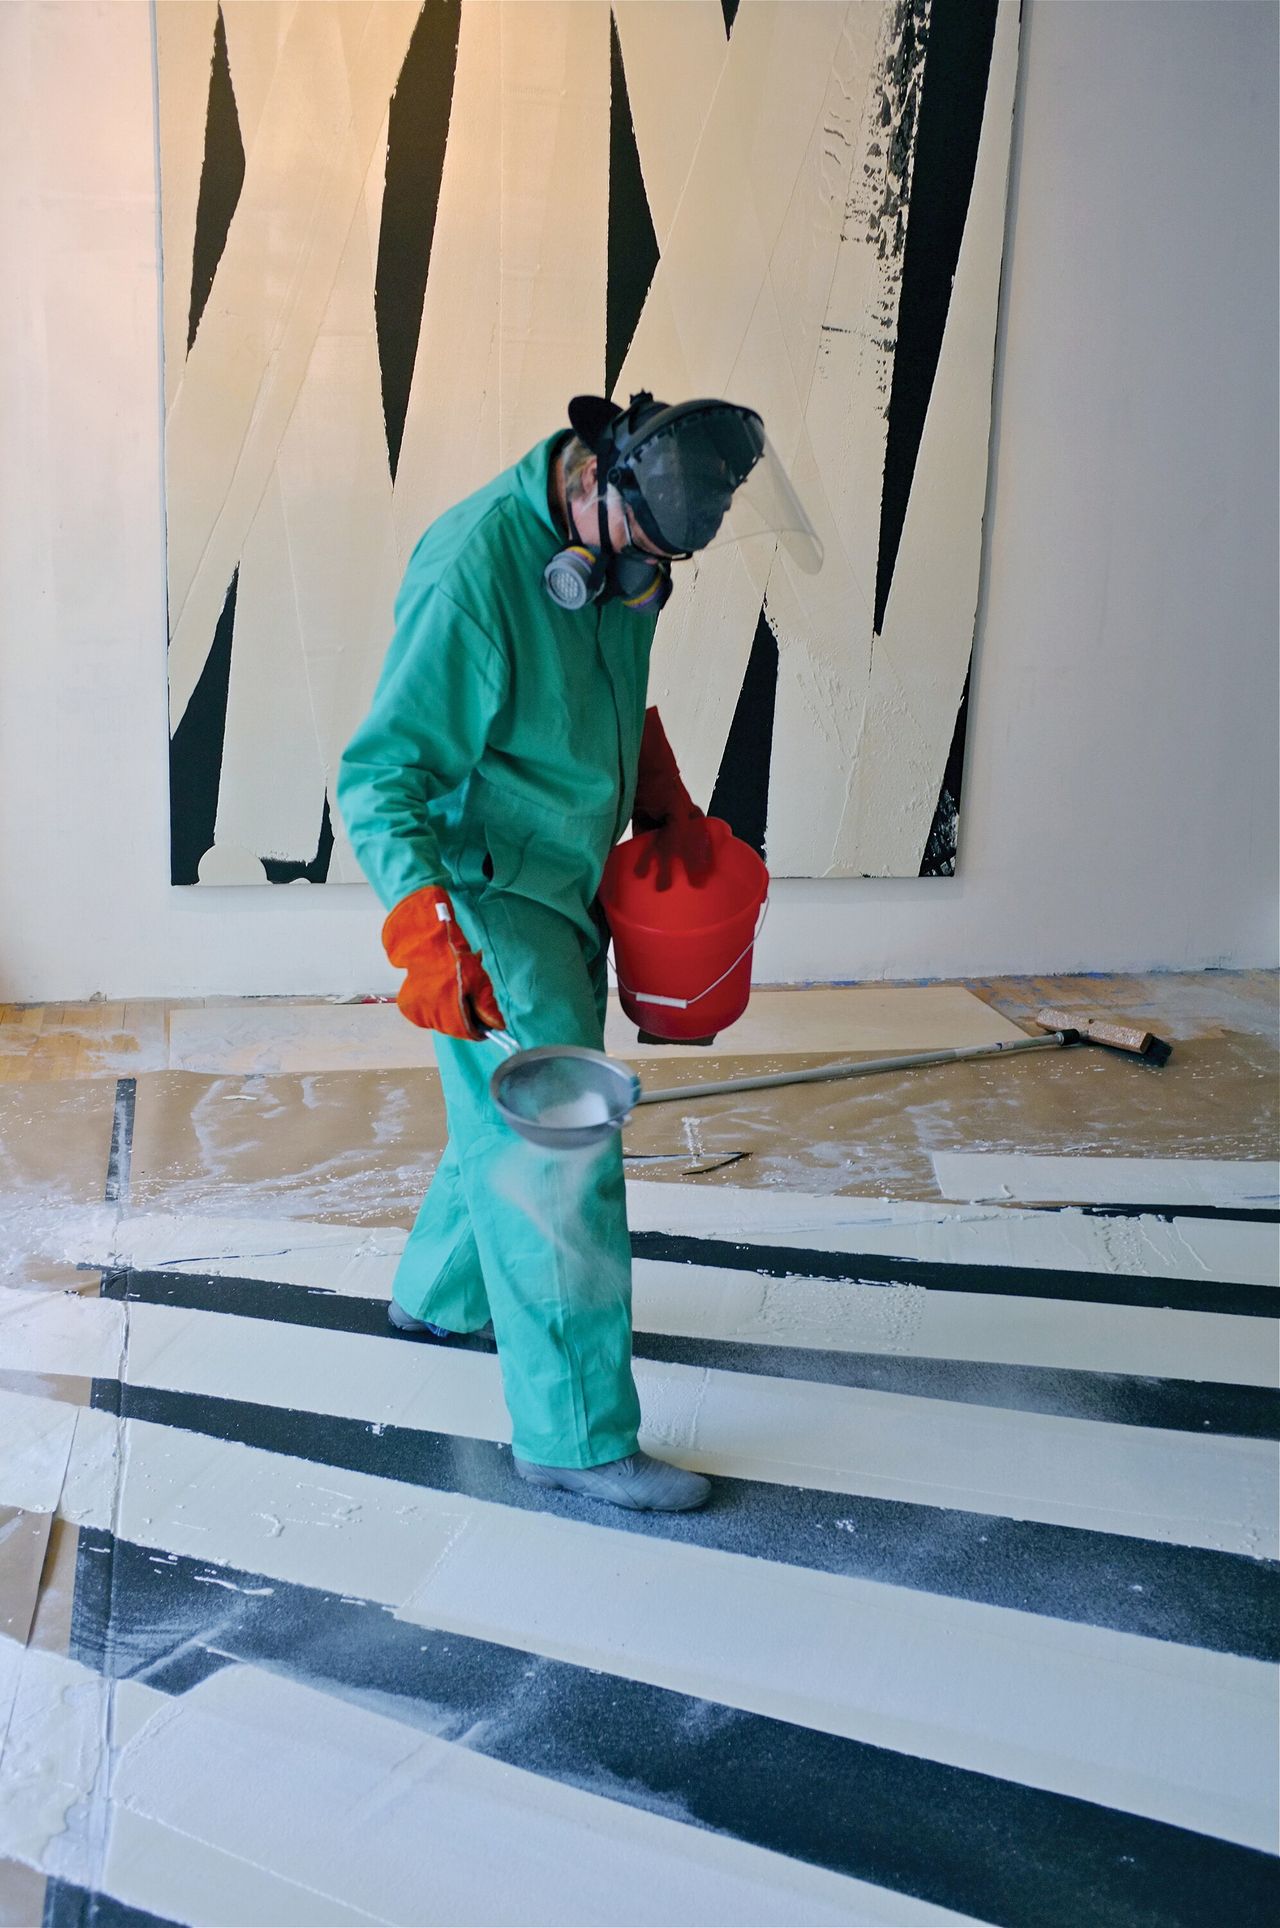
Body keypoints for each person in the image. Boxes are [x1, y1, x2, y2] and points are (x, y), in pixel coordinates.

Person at [337, 392, 820, 1512]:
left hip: (564, 878)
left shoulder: (621, 555)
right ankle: (574, 1433)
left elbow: (606, 690)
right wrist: (424, 930)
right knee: (561, 1148)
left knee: (502, 1120)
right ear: (595, 484)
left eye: (668, 562)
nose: (653, 579)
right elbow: (378, 776)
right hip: (485, 893)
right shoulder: (473, 572)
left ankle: (442, 1296)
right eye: (646, 553)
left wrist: (656, 793)